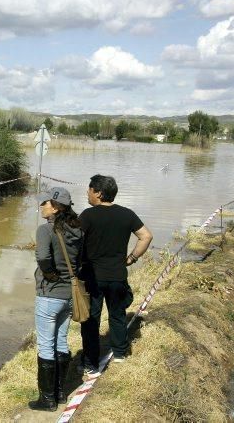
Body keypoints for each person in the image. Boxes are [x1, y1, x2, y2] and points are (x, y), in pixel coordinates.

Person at [78, 174, 153, 375]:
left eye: (90, 189)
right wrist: (132, 258)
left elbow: (74, 241)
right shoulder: (127, 214)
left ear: (99, 193)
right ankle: (120, 354)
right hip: (117, 274)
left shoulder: (87, 216)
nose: (87, 192)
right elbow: (146, 236)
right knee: (118, 315)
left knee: (91, 320)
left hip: (92, 276)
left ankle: (90, 364)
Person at [28, 187, 84, 411]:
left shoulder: (45, 229)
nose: (42, 206)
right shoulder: (77, 229)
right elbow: (80, 259)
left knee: (45, 345)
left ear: (56, 207)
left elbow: (42, 257)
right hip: (69, 295)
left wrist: (50, 275)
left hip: (50, 295)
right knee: (61, 340)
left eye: (45, 203)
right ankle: (60, 393)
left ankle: (47, 399)